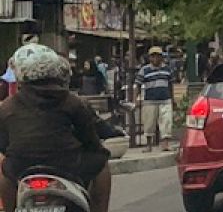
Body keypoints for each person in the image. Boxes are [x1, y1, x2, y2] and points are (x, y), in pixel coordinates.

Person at [0, 43, 112, 212]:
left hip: (20, 166)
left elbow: (3, 145)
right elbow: (91, 142)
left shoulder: (7, 106)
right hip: (68, 164)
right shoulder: (73, 101)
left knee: (3, 171)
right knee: (102, 165)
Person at [136, 46, 174, 152]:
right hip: (150, 100)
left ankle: (165, 144)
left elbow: (171, 84)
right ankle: (149, 145)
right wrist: (136, 98)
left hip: (165, 99)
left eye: (158, 56)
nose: (155, 58)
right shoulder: (144, 70)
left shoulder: (167, 69)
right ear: (149, 58)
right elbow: (138, 84)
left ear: (162, 57)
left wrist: (172, 98)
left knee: (166, 122)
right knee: (149, 123)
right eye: (153, 56)